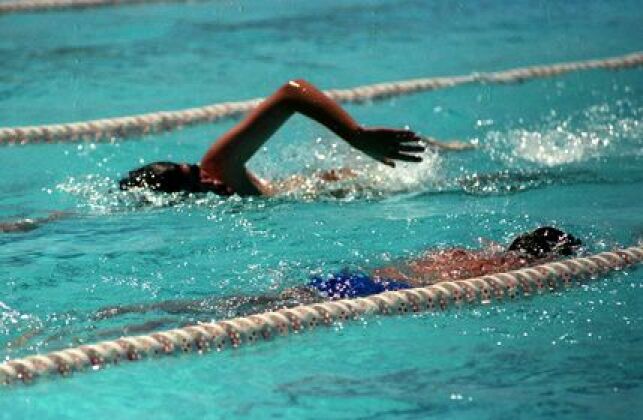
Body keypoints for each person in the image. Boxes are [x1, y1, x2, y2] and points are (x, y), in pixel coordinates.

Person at [93, 226, 582, 320]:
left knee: (248, 303)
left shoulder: (472, 250)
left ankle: (141, 313)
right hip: (379, 289)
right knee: (245, 310)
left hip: (353, 277)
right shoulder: (502, 268)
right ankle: (143, 319)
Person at [118, 79, 467, 196]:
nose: (209, 180)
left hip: (390, 172)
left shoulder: (219, 166)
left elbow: (292, 92)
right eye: (196, 185)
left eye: (196, 172)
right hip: (388, 181)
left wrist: (356, 137)